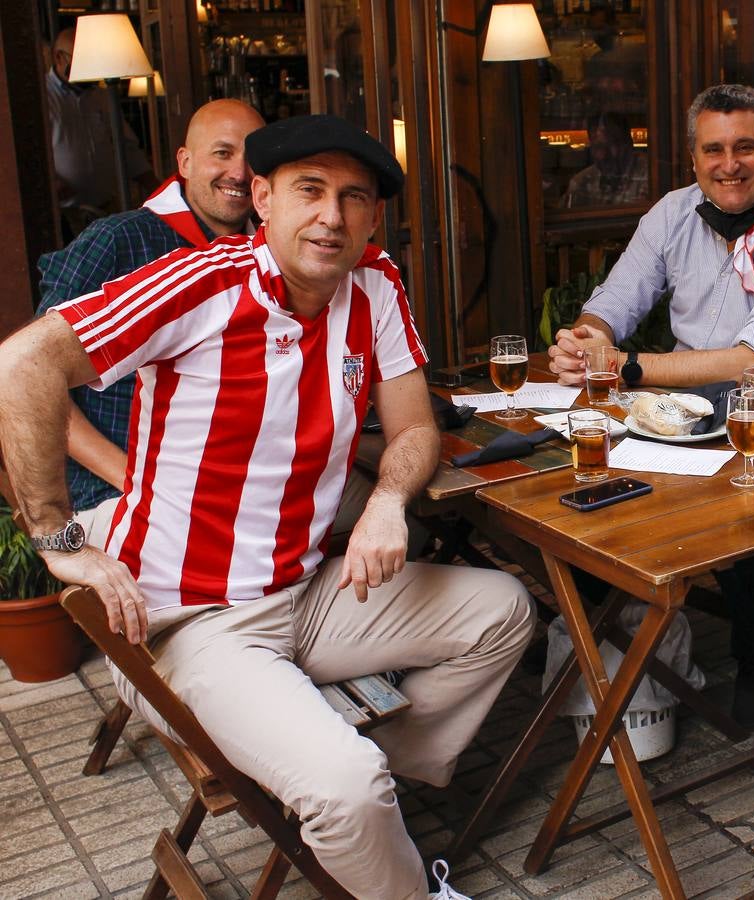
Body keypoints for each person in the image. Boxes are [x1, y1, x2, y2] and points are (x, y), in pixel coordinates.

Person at [0, 115, 535, 900]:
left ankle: (380, 784)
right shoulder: (202, 283)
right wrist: (56, 535)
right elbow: (21, 363)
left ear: (374, 218)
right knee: (346, 786)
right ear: (262, 197)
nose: (332, 217)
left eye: (354, 199)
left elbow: (416, 425)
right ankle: (385, 852)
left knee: (505, 612)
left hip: (305, 594)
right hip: (194, 623)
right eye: (308, 191)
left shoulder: (375, 284)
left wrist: (389, 500)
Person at [547, 83, 754, 729]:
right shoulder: (672, 213)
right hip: (686, 398)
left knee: (737, 494)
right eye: (715, 149)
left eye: (744, 147)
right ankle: (603, 617)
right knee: (586, 463)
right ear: (693, 157)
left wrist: (625, 367)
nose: (729, 164)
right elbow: (616, 300)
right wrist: (585, 339)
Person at [35, 99, 266, 549]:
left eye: (252, 157)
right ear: (184, 161)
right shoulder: (118, 240)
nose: (239, 172)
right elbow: (35, 378)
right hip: (119, 493)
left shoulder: (264, 253)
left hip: (228, 484)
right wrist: (133, 480)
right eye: (222, 153)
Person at [46, 27, 159, 239]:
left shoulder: (102, 96)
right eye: (82, 59)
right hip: (66, 214)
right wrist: (53, 182)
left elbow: (126, 147)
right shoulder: (44, 97)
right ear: (60, 57)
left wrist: (155, 187)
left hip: (106, 209)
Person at [562, 112, 649, 208]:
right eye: (597, 147)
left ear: (627, 143)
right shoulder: (581, 181)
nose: (602, 156)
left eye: (610, 145)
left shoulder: (649, 175)